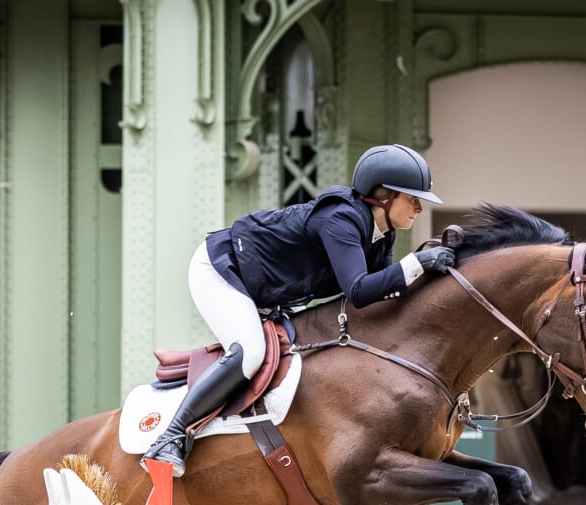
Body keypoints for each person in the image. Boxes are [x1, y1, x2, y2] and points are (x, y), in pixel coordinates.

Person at [142, 143, 451, 478]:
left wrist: (426, 279)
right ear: (384, 196)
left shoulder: (381, 234)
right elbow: (360, 291)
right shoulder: (341, 219)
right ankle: (169, 439)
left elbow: (381, 297)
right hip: (222, 269)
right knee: (250, 353)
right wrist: (417, 263)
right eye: (413, 199)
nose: (419, 208)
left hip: (265, 291)